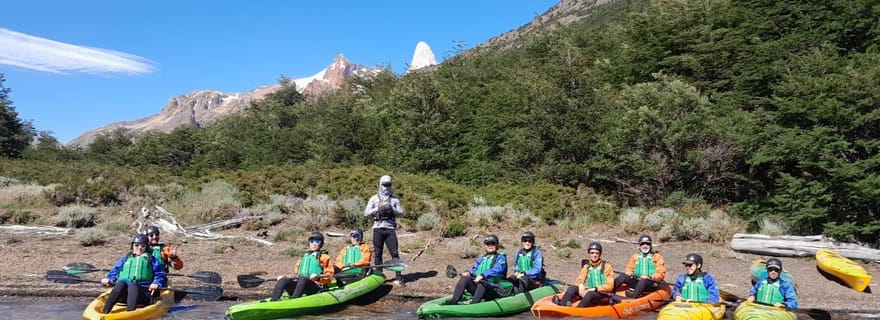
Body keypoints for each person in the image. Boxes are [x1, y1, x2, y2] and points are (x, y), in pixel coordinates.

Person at [100, 234, 166, 313]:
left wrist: (156, 283)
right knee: (121, 283)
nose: (139, 248)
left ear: (146, 247)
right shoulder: (125, 258)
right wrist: (108, 279)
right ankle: (105, 312)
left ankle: (130, 312)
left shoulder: (152, 259)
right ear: (133, 246)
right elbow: (114, 272)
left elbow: (160, 274)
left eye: (143, 246)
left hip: (143, 294)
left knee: (133, 284)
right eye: (136, 245)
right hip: (124, 296)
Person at [363, 175, 405, 286]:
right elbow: (366, 213)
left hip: (390, 228)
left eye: (389, 184)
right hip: (377, 228)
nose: (386, 187)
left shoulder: (395, 199)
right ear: (380, 184)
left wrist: (391, 208)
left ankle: (399, 277)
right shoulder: (374, 198)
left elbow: (401, 213)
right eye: (384, 184)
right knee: (378, 253)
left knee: (394, 253)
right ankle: (379, 277)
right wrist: (379, 208)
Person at [270, 232, 334, 301]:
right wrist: (285, 276)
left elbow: (330, 275)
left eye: (317, 241)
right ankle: (273, 300)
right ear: (309, 243)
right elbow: (295, 275)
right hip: (300, 286)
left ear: (321, 244)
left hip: (315, 287)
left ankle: (293, 301)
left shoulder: (324, 257)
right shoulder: (303, 258)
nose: (314, 244)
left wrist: (318, 276)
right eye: (312, 241)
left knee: (303, 279)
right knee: (283, 280)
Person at [447, 234, 509, 304]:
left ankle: (473, 304)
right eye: (488, 243)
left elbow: (497, 270)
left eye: (493, 243)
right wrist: (468, 272)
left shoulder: (501, 258)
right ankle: (454, 301)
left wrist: (483, 275)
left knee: (483, 282)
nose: (490, 245)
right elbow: (474, 269)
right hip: (480, 288)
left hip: (494, 289)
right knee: (464, 278)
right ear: (485, 245)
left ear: (497, 245)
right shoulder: (481, 258)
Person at [553, 242, 615, 307]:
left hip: (603, 295)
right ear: (589, 254)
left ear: (600, 254)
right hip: (591, 292)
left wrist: (595, 289)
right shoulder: (586, 267)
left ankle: (577, 310)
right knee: (571, 288)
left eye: (597, 253)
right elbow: (579, 279)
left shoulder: (607, 266)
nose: (594, 255)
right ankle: (561, 305)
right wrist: (580, 285)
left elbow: (610, 286)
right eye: (592, 253)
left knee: (589, 294)